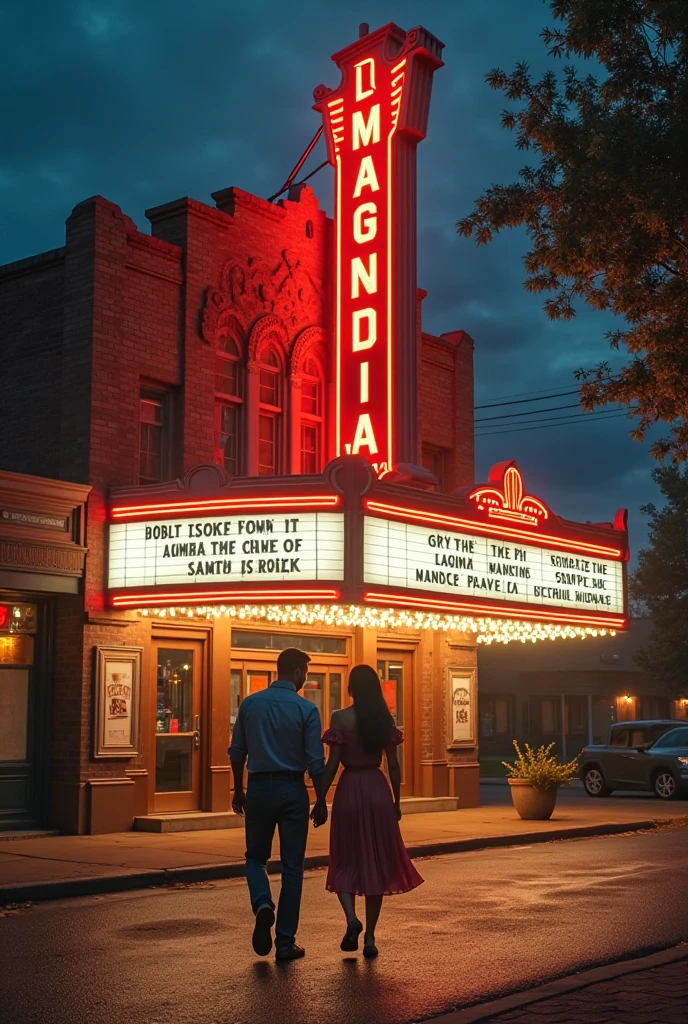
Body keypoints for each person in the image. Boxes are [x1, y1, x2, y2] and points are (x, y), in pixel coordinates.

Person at [312, 664, 423, 957]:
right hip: (377, 790)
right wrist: (397, 802)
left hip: (349, 789)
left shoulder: (340, 718)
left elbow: (332, 764)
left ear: (350, 688)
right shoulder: (384, 720)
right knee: (377, 862)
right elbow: (394, 766)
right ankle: (371, 938)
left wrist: (320, 797)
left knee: (345, 857)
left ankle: (352, 919)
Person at [229, 647, 328, 961]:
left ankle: (262, 905)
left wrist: (238, 789)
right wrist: (322, 799)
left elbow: (236, 752)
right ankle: (285, 943)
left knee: (255, 857)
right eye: (305, 674)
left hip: (258, 787)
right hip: (292, 790)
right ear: (299, 673)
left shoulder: (250, 704)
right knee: (292, 868)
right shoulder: (306, 710)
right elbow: (316, 763)